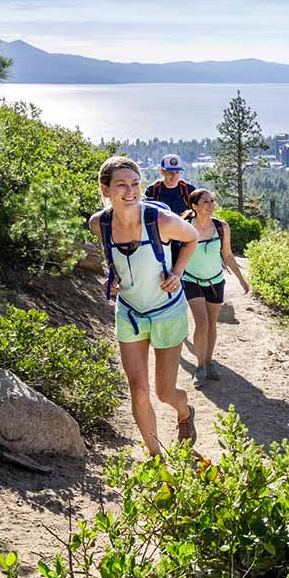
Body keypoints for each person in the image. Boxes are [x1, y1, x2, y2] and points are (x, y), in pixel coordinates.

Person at [89, 156, 198, 455]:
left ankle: (185, 410)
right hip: (129, 313)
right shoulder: (99, 223)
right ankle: (155, 458)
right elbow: (113, 258)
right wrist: (111, 277)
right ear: (105, 189)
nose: (130, 191)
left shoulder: (160, 220)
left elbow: (192, 237)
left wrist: (177, 273)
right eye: (121, 185)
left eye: (135, 184)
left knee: (165, 393)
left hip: (167, 312)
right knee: (138, 389)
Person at [182, 189, 249, 388]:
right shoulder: (185, 228)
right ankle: (200, 366)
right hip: (191, 280)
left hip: (215, 281)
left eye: (212, 201)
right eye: (205, 201)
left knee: (212, 324)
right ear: (194, 206)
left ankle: (209, 362)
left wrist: (241, 280)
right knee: (201, 323)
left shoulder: (221, 227)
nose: (210, 204)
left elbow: (227, 255)